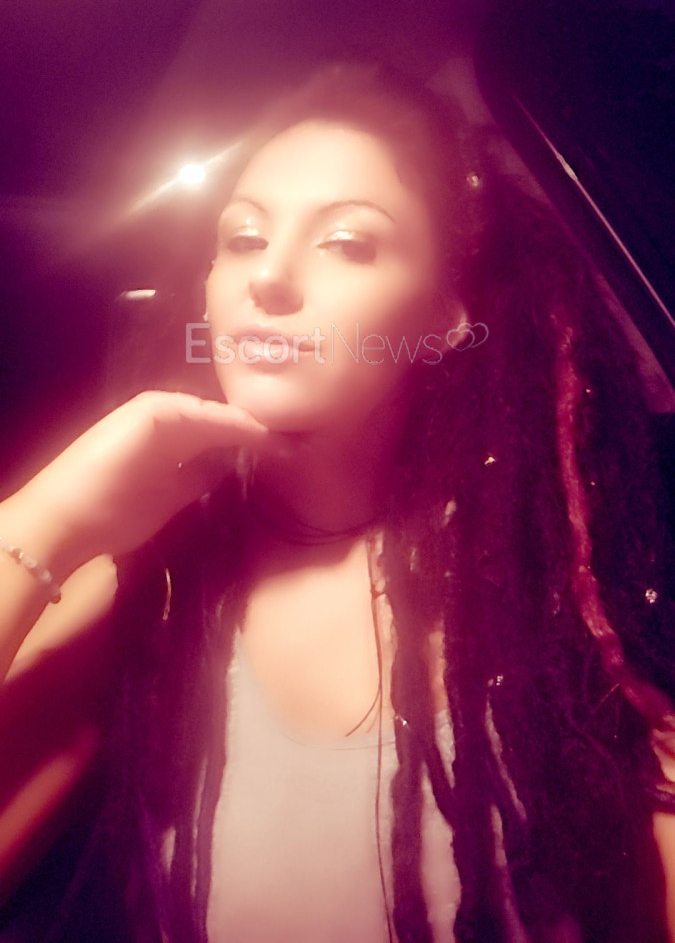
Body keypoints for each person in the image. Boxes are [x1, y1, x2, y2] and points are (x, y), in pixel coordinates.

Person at [1, 62, 674, 943]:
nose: (269, 278)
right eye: (243, 238)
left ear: (441, 317)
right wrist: (49, 517)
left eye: (348, 243)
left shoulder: (568, 587)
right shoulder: (144, 582)